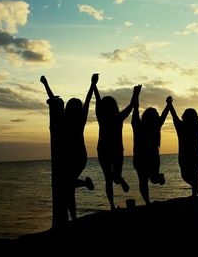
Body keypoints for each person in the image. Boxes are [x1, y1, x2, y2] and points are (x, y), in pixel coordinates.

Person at [40, 74, 95, 221]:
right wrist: (45, 84)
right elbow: (55, 101)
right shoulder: (71, 119)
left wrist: (92, 85)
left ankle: (84, 183)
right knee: (69, 190)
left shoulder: (74, 120)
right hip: (73, 157)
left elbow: (87, 101)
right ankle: (74, 218)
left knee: (66, 184)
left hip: (76, 157)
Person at [93, 77, 141, 210]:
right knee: (112, 179)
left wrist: (93, 85)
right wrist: (135, 93)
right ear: (114, 107)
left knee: (111, 179)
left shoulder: (102, 118)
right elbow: (131, 106)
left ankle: (113, 203)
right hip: (113, 150)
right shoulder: (117, 117)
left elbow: (97, 99)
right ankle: (112, 205)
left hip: (105, 150)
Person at [131, 87, 170, 205]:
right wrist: (135, 94)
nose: (158, 117)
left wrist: (168, 105)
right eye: (156, 116)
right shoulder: (138, 126)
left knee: (153, 180)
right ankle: (147, 202)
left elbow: (162, 116)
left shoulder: (154, 126)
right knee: (143, 181)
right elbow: (135, 109)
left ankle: (158, 177)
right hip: (141, 159)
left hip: (151, 158)